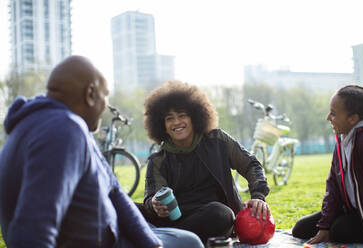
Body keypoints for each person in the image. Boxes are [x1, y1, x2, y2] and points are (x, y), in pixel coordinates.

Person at [0, 56, 203, 248]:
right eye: (105, 95)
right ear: (90, 94)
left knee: (179, 237)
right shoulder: (64, 131)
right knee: (189, 242)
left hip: (114, 235)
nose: (105, 105)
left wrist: (151, 244)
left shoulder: (31, 128)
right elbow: (33, 228)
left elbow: (115, 193)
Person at [142, 80, 271, 243]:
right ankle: (171, 238)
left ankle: (164, 239)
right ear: (163, 125)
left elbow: (251, 164)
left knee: (221, 214)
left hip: (213, 216)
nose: (176, 122)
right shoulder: (158, 159)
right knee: (125, 206)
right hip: (174, 219)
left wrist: (258, 196)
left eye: (182, 115)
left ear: (195, 118)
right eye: (169, 118)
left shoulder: (218, 140)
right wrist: (155, 206)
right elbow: (152, 196)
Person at [292, 84, 363, 244]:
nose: (328, 118)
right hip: (351, 211)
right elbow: (333, 186)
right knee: (301, 229)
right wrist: (324, 226)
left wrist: (330, 228)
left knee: (339, 231)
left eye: (333, 114)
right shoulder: (342, 140)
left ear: (353, 119)